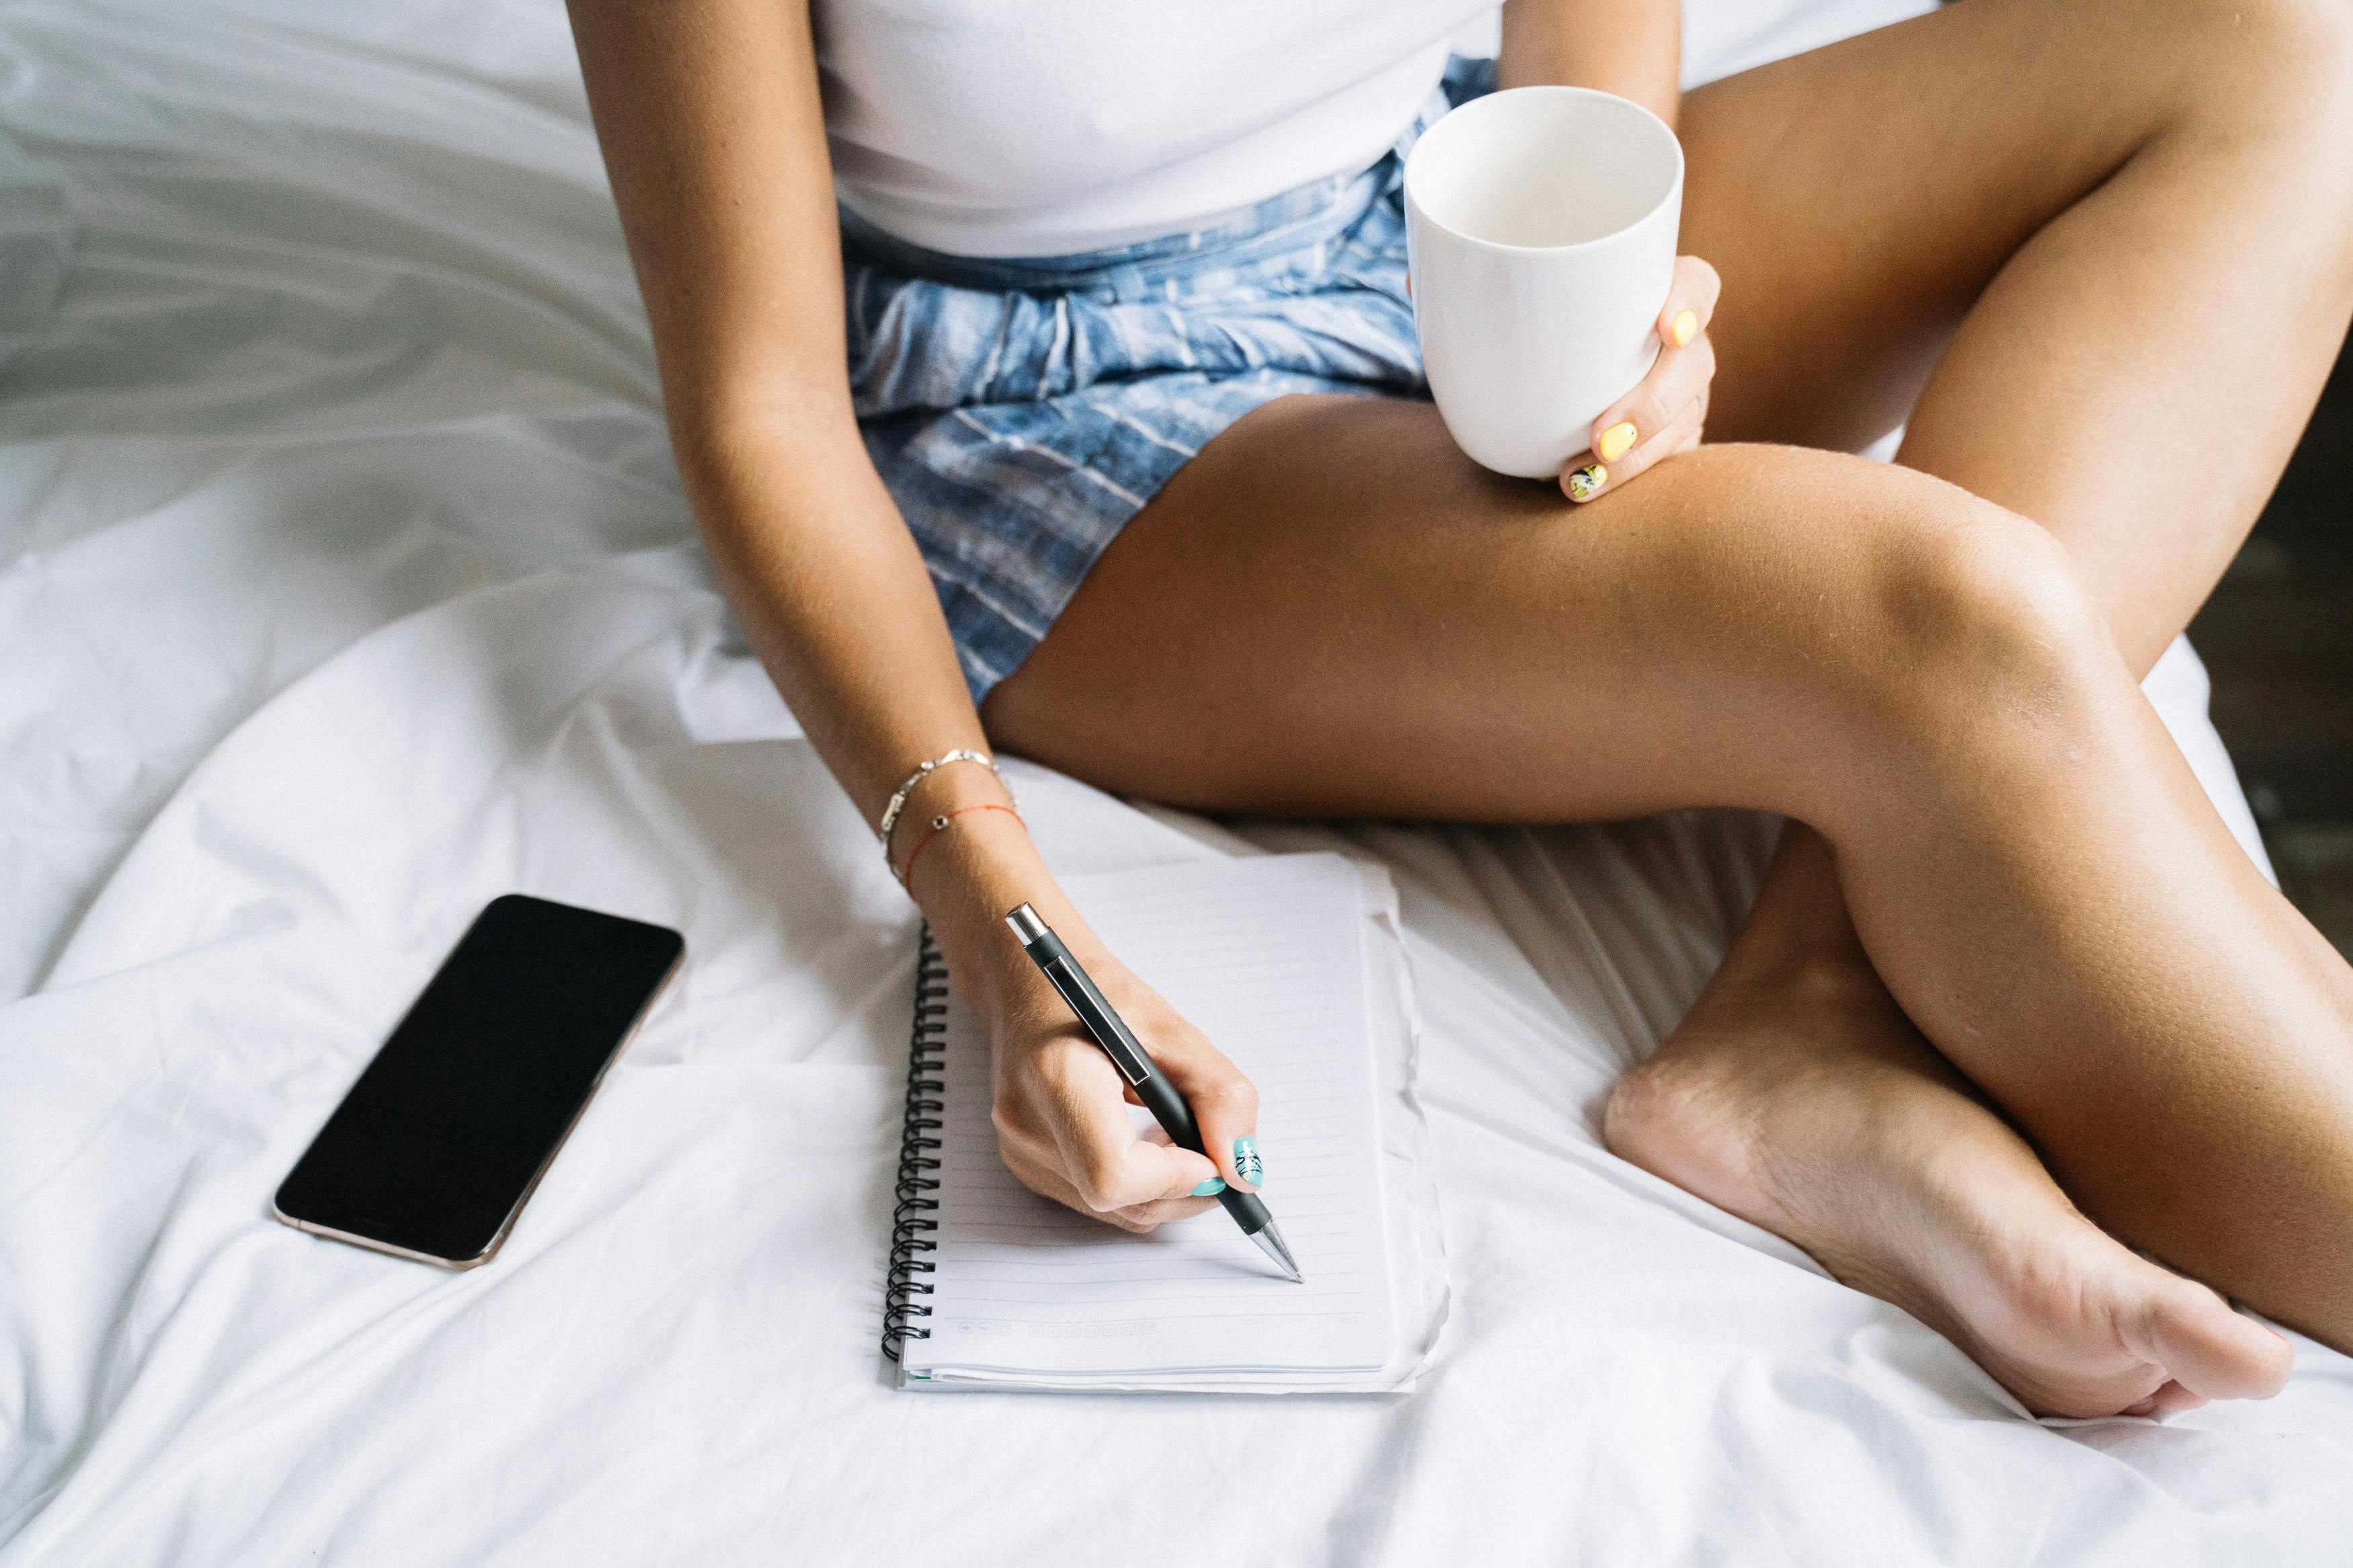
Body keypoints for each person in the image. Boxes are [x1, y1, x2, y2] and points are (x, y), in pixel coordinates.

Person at [562, 0, 2353, 1419]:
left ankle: (1812, 1010)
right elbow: (764, 411)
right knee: (1945, 614)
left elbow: (1581, 45)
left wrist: (1636, 292)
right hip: (1075, 403)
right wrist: (1001, 924)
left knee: (2278, 52)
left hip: (1427, 213)